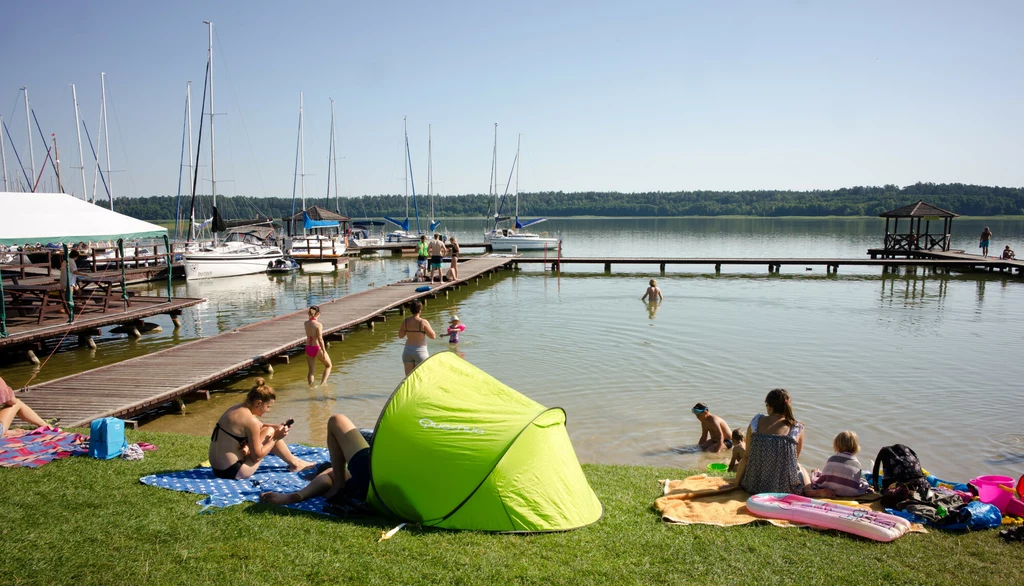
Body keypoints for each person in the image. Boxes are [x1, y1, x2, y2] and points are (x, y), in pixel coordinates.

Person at [208, 378, 312, 480]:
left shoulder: (237, 409)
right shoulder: (250, 420)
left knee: (270, 430)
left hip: (218, 469)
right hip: (234, 471)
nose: (268, 410)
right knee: (270, 432)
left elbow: (261, 426)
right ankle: (295, 464)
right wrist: (276, 438)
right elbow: (256, 457)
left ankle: (295, 462)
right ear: (258, 403)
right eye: (268, 406)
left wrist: (279, 427)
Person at [260, 413, 370, 507]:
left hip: (370, 485)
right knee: (331, 472)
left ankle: (336, 488)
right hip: (379, 496)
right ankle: (335, 487)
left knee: (336, 420)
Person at [731, 388, 812, 495]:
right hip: (784, 489)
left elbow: (746, 457)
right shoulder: (797, 428)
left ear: (769, 407)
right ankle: (810, 490)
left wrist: (736, 484)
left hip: (753, 486)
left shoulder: (756, 422)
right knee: (800, 467)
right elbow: (793, 461)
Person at [805, 430, 873, 498]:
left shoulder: (832, 459)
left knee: (816, 476)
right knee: (862, 481)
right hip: (851, 493)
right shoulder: (857, 464)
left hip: (831, 489)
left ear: (837, 445)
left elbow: (825, 477)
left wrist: (816, 474)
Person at [398, 300, 435, 375]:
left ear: (410, 310)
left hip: (407, 350)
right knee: (422, 378)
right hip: (420, 351)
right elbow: (433, 336)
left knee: (408, 378)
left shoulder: (405, 321)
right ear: (420, 310)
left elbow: (400, 336)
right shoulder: (423, 322)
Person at [304, 306, 332, 386]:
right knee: (328, 366)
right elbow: (320, 338)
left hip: (308, 347)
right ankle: (322, 384)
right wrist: (323, 350)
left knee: (311, 371)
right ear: (318, 314)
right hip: (316, 347)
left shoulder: (305, 323)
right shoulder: (318, 325)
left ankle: (311, 387)